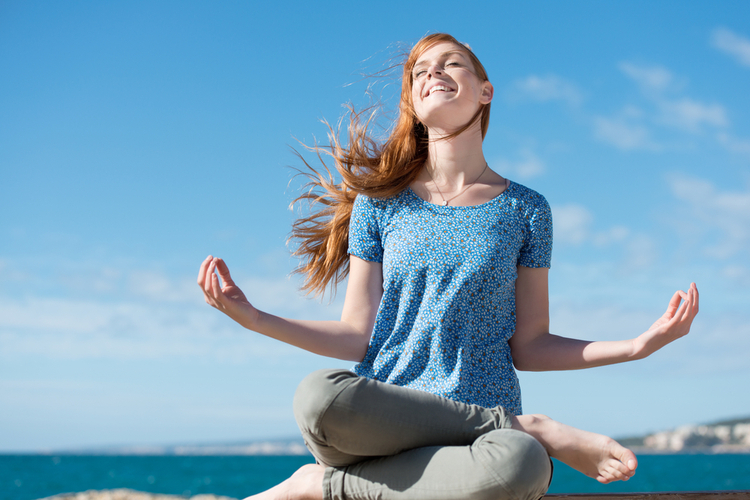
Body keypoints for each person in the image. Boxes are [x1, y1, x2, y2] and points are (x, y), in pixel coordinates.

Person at [197, 33, 699, 500]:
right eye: (419, 72)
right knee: (318, 398)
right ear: (413, 104)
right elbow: (356, 335)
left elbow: (531, 344)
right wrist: (256, 319)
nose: (432, 73)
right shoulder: (380, 204)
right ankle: (536, 428)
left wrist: (636, 347)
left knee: (521, 462)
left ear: (485, 92)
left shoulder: (526, 209)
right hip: (383, 427)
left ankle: (320, 486)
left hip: (478, 449)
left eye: (450, 63)